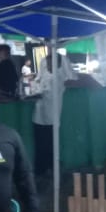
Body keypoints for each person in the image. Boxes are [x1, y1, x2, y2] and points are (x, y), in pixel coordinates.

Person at [32, 53, 75, 181]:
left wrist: (37, 92)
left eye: (51, 62)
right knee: (41, 143)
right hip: (39, 114)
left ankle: (51, 169)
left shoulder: (59, 77)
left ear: (58, 63)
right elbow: (39, 85)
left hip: (52, 115)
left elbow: (46, 92)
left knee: (49, 143)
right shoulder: (45, 74)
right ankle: (42, 169)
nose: (48, 64)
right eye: (47, 62)